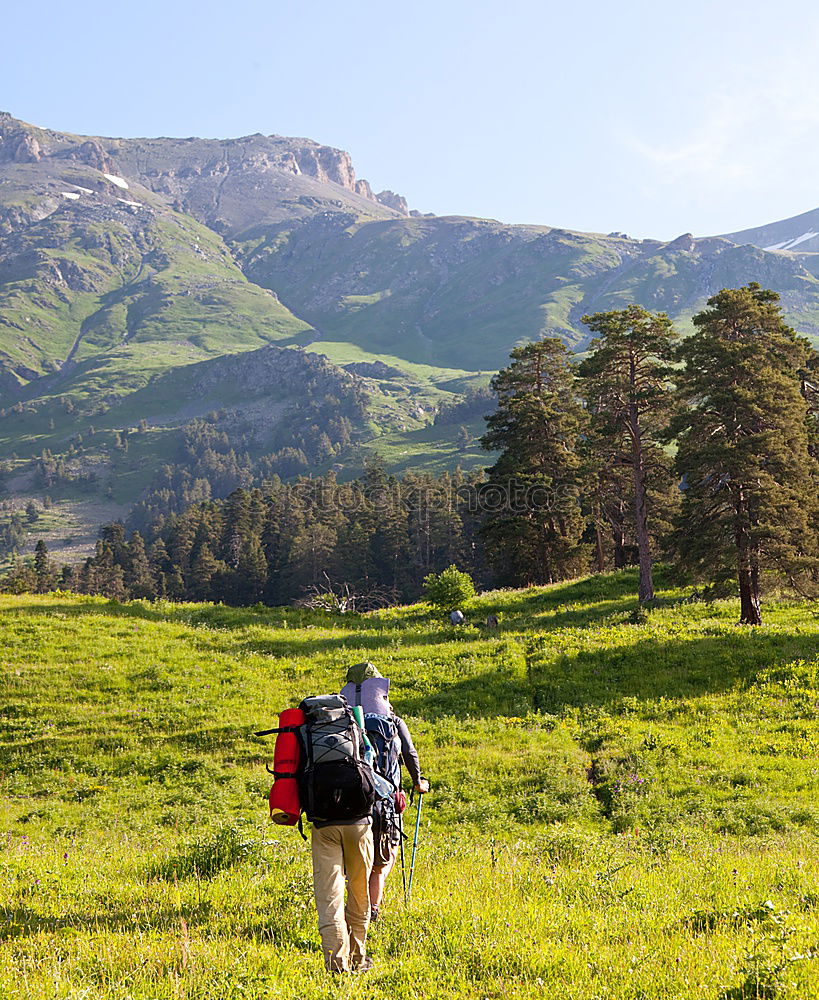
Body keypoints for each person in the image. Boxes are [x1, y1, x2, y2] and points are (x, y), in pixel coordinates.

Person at [341, 662, 430, 922]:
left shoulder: (344, 720)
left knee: (355, 858)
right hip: (387, 797)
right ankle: (373, 910)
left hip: (351, 797)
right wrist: (418, 781)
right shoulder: (393, 720)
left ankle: (355, 908)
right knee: (384, 857)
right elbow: (409, 754)